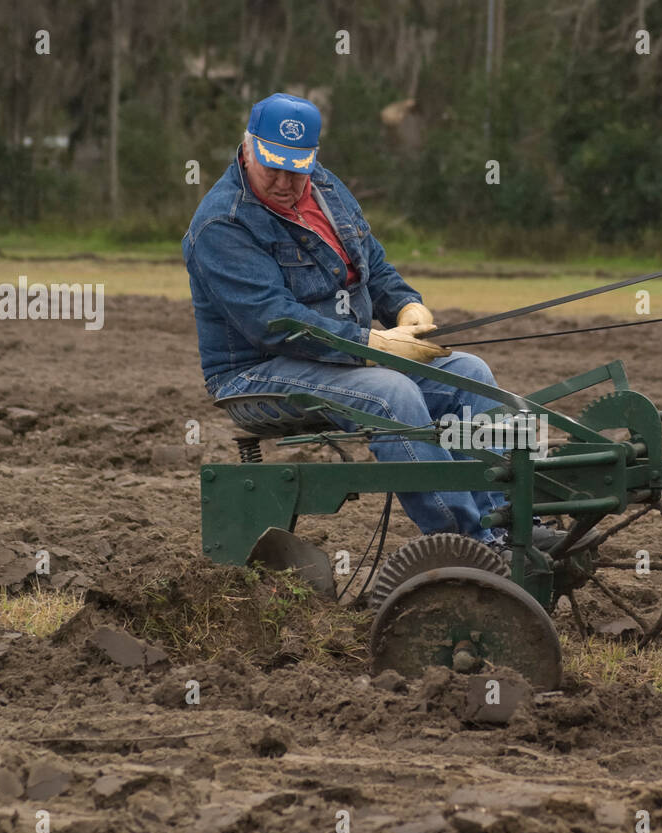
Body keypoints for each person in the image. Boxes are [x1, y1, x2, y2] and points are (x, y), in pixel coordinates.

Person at [182, 92, 510, 543]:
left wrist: (406, 306)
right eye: (273, 167)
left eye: (296, 170)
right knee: (390, 394)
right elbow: (274, 322)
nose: (285, 182)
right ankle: (465, 543)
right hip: (255, 374)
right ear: (248, 147)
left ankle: (508, 526)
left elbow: (372, 264)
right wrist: (374, 345)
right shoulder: (221, 224)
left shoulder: (326, 188)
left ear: (313, 158)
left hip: (343, 359)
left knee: (471, 374)